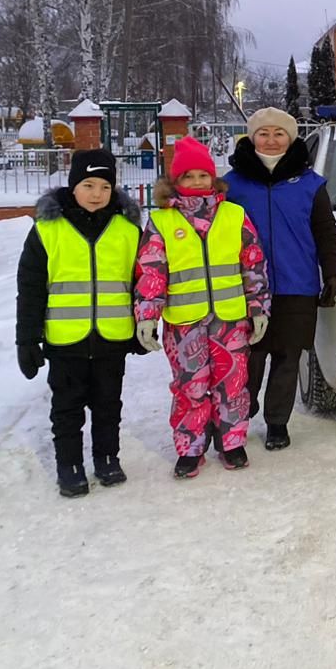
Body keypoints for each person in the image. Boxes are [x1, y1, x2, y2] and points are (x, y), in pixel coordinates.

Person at [134, 136, 270, 478]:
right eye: (188, 176)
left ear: (213, 178)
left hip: (229, 319)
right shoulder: (162, 222)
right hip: (184, 322)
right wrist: (147, 315)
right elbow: (152, 271)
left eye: (202, 175)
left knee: (233, 382)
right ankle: (191, 447)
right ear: (174, 182)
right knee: (189, 386)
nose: (196, 182)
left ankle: (232, 441)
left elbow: (252, 264)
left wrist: (258, 307)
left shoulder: (234, 215)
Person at [16, 149, 142, 498]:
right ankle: (69, 465)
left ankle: (106, 458)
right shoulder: (47, 230)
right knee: (67, 408)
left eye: (104, 186)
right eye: (88, 184)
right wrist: (26, 339)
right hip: (65, 339)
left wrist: (143, 326)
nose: (96, 194)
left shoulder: (127, 229)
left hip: (112, 336)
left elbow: (141, 282)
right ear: (73, 186)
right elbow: (29, 289)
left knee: (108, 404)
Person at [225, 108, 336, 451]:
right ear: (251, 137)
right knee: (248, 357)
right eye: (264, 133)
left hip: (297, 285)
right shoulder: (232, 184)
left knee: (287, 356)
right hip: (244, 287)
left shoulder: (310, 184)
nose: (272, 140)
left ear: (291, 139)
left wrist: (332, 270)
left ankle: (277, 422)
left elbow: (325, 231)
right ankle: (239, 415)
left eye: (280, 133)